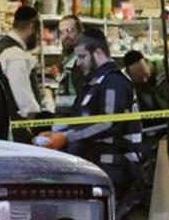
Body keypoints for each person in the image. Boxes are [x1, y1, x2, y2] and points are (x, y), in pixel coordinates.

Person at [33, 29, 143, 207]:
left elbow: (108, 123)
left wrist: (66, 137)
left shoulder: (113, 82)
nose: (79, 63)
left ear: (98, 53)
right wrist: (56, 132)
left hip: (112, 169)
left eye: (82, 57)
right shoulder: (95, 82)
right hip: (96, 166)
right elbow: (80, 118)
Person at [0, 6, 49, 117]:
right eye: (38, 33)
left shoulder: (1, 46)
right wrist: (38, 122)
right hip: (18, 125)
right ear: (31, 27)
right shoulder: (15, 55)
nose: (38, 37)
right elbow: (24, 101)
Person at [122, 49, 169, 114]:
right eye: (139, 78)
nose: (145, 80)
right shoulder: (124, 79)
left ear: (148, 63)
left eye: (145, 74)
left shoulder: (167, 66)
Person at [54, 15, 85, 114]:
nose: (65, 36)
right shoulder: (68, 61)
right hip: (65, 123)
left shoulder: (82, 62)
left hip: (76, 123)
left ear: (80, 33)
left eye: (70, 30)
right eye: (62, 32)